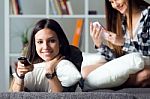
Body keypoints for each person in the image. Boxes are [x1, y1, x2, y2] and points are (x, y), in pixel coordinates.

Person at [82, 0, 150, 88]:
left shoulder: (147, 15)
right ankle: (117, 82)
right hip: (129, 66)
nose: (115, 5)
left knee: (145, 74)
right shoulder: (121, 20)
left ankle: (110, 83)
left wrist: (123, 42)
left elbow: (147, 51)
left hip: (145, 65)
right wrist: (99, 44)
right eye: (111, 2)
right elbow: (117, 59)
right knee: (86, 71)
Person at [11, 18, 83, 92]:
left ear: (60, 42)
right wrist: (20, 76)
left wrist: (49, 70)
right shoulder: (29, 59)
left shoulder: (71, 57)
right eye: (40, 42)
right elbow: (15, 95)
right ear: (35, 44)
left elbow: (61, 97)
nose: (45, 47)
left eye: (52, 41)